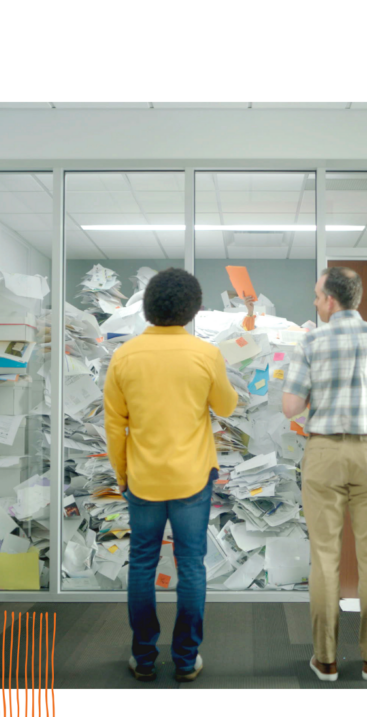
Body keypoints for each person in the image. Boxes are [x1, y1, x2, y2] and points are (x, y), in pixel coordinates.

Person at [103, 268, 238, 683]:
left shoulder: (124, 356)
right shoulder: (204, 354)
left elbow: (114, 425)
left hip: (142, 479)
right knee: (191, 566)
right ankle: (185, 660)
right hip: (192, 479)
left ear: (148, 308)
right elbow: (227, 407)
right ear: (193, 308)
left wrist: (123, 476)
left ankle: (143, 659)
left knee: (142, 564)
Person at [281, 267, 367, 683]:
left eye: (318, 296)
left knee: (324, 558)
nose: (317, 302)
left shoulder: (310, 342)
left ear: (330, 300)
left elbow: (290, 408)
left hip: (323, 453)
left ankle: (326, 661)